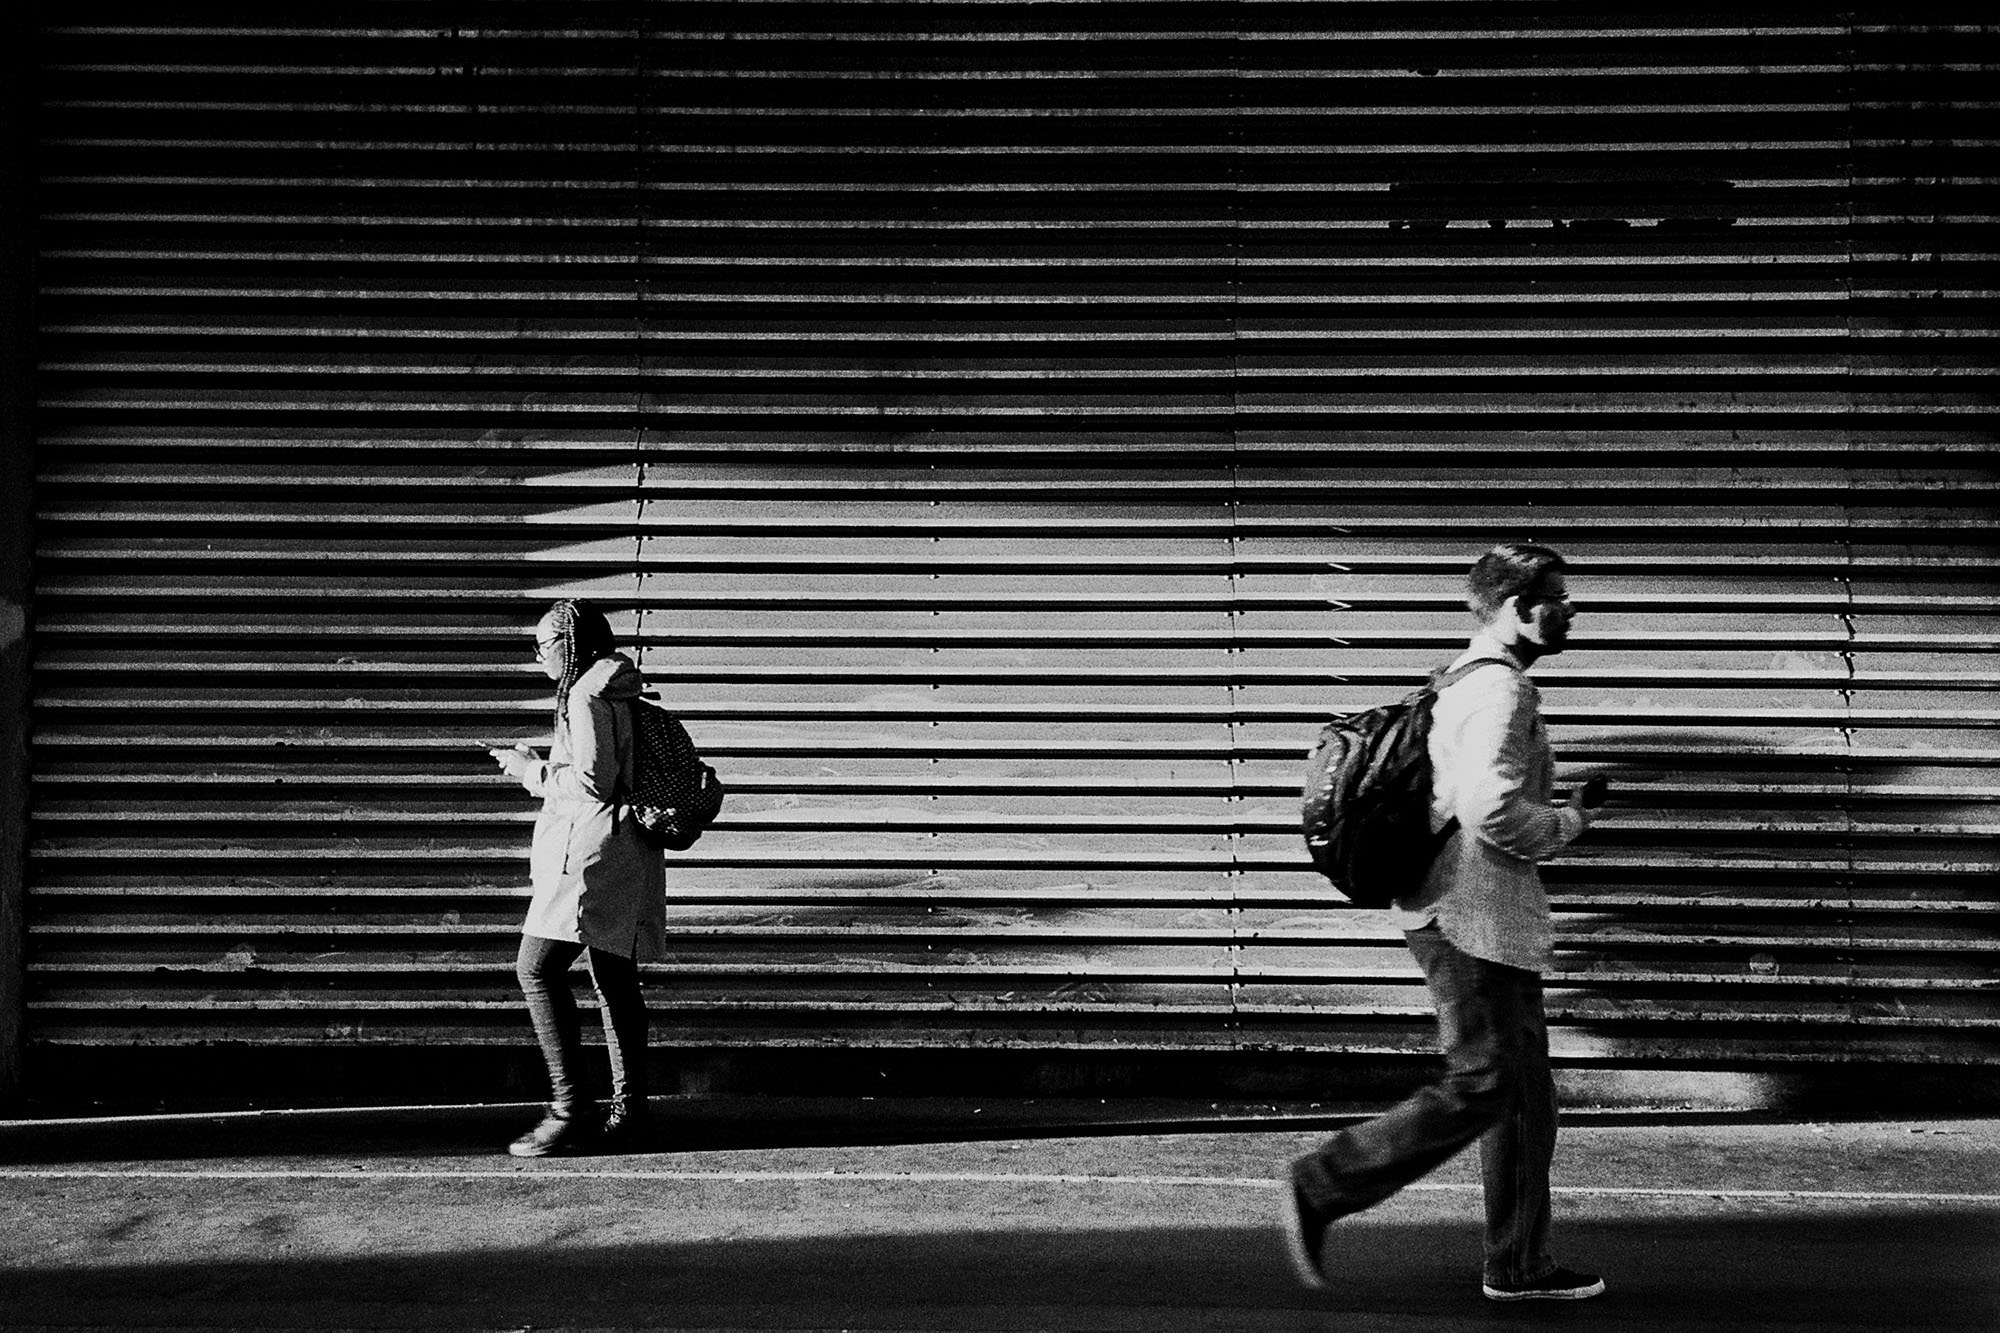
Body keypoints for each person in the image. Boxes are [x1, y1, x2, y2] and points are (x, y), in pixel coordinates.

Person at [1279, 542, 1609, 1302]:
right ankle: (1323, 1183)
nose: (1571, 609)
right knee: (1488, 1079)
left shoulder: (1462, 678)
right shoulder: (1501, 693)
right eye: (1558, 596)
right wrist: (1566, 822)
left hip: (1475, 911)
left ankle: (1518, 1263)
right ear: (1518, 609)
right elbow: (1489, 808)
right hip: (1470, 916)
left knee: (1524, 1094)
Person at [490, 598, 667, 1157]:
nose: (538, 654)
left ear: (569, 645)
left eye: (544, 644)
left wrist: (531, 771)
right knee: (614, 977)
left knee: (535, 968)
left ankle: (570, 1110)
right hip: (625, 850)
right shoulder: (614, 685)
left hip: (592, 855)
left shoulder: (587, 693)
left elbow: (593, 780)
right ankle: (630, 1111)